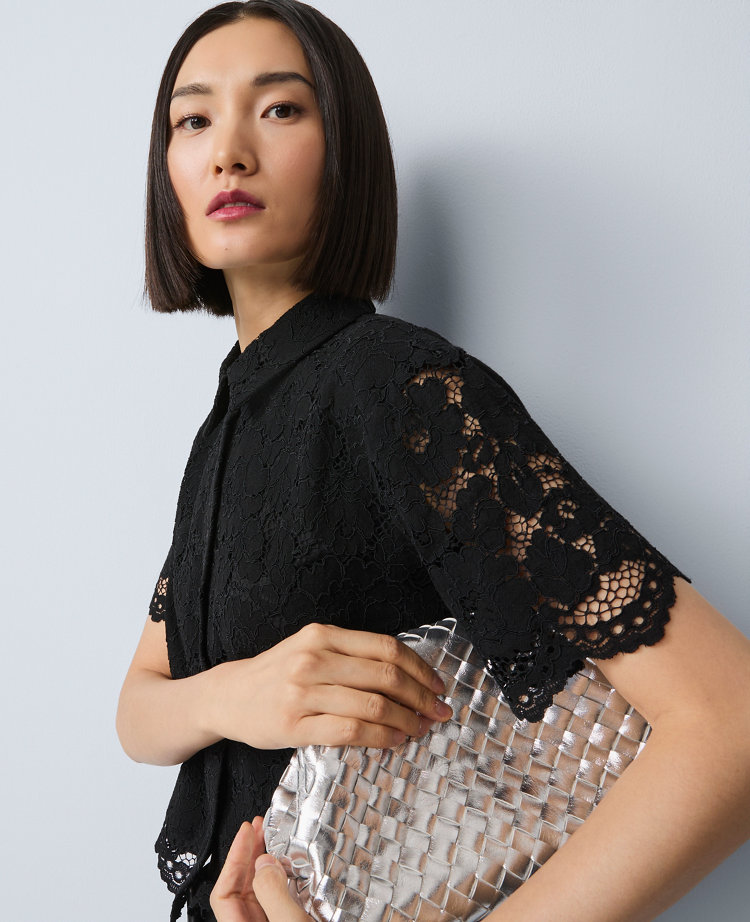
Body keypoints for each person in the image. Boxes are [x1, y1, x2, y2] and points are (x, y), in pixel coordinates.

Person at [116, 2, 750, 921]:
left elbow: (730, 721)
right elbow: (139, 708)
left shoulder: (398, 384)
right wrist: (240, 696)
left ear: (347, 150)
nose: (229, 153)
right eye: (193, 120)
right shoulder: (225, 424)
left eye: (281, 108)